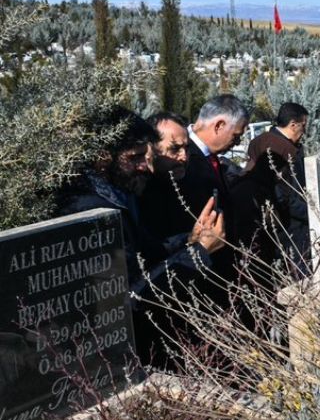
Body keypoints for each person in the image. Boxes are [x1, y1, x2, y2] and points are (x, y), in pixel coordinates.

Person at [57, 108, 225, 367]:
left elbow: (147, 251)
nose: (146, 167)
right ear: (103, 156)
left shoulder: (116, 194)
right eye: (135, 157)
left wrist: (189, 239)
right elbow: (128, 296)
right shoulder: (90, 211)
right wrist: (199, 251)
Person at [229, 102, 310, 289]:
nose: (304, 131)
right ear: (293, 124)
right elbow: (287, 193)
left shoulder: (261, 140)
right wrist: (313, 213)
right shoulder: (285, 150)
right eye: (303, 125)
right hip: (289, 224)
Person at [178, 95, 249, 233]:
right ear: (219, 126)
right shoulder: (180, 159)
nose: (238, 142)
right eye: (236, 136)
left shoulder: (212, 156)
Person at [138, 112, 190, 243]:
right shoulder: (136, 195)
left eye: (186, 148)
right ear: (151, 149)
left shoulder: (187, 186)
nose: (184, 156)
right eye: (175, 149)